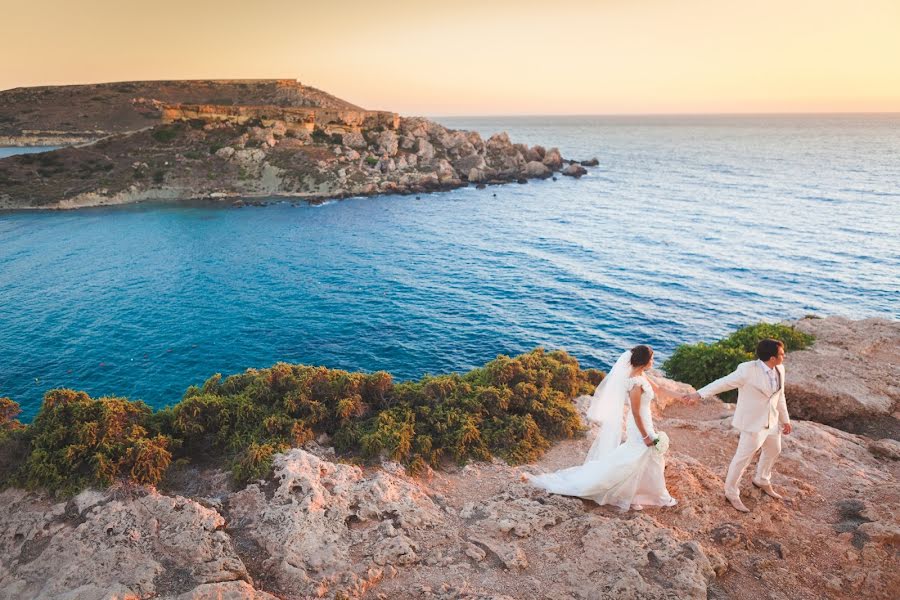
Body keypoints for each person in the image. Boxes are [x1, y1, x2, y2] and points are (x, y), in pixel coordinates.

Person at [525, 345, 677, 511]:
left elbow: (660, 389)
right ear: (644, 361)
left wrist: (683, 397)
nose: (653, 361)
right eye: (652, 358)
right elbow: (635, 413)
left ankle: (634, 495)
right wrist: (645, 436)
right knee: (639, 455)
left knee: (640, 457)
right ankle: (656, 496)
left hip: (646, 421)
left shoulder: (641, 375)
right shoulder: (635, 384)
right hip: (639, 425)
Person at [682, 339, 791, 512]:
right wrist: (699, 394)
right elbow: (723, 383)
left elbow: (780, 395)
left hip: (772, 421)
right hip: (753, 424)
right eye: (781, 354)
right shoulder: (747, 370)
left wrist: (785, 420)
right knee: (742, 459)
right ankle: (731, 492)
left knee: (774, 450)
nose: (784, 356)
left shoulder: (780, 369)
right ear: (771, 358)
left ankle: (762, 479)